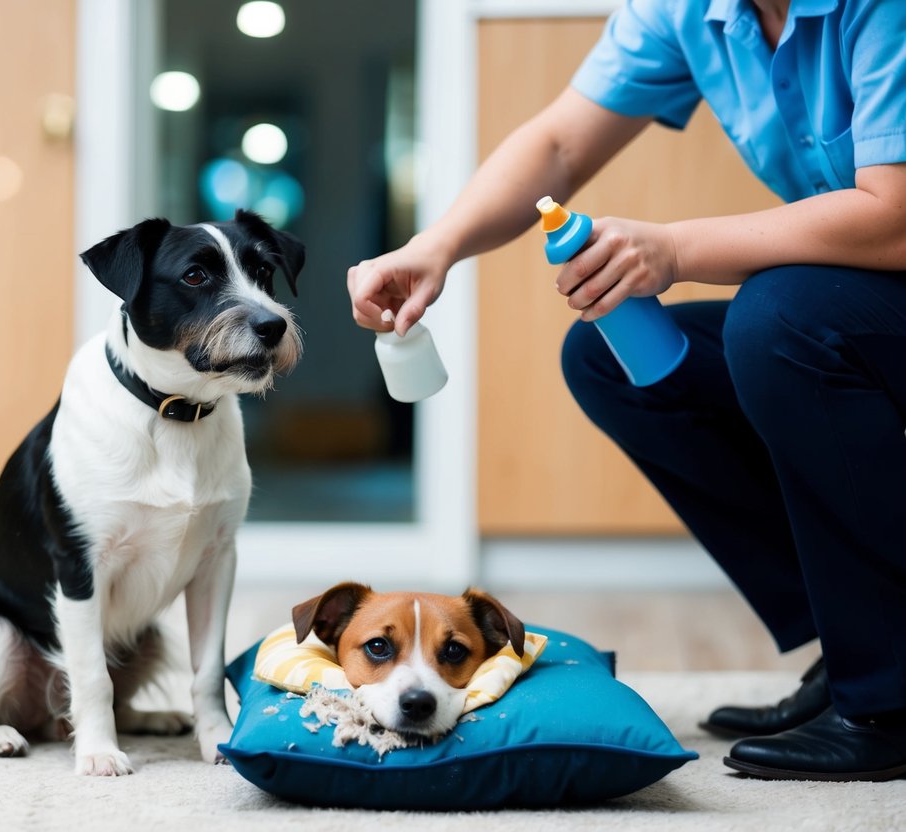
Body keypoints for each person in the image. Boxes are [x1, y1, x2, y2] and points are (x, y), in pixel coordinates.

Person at [347, 0, 906, 782]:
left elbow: (895, 219)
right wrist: (433, 246)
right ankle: (860, 642)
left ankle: (888, 697)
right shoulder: (688, 12)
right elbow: (558, 142)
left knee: (779, 320)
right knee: (610, 357)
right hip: (865, 308)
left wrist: (675, 248)